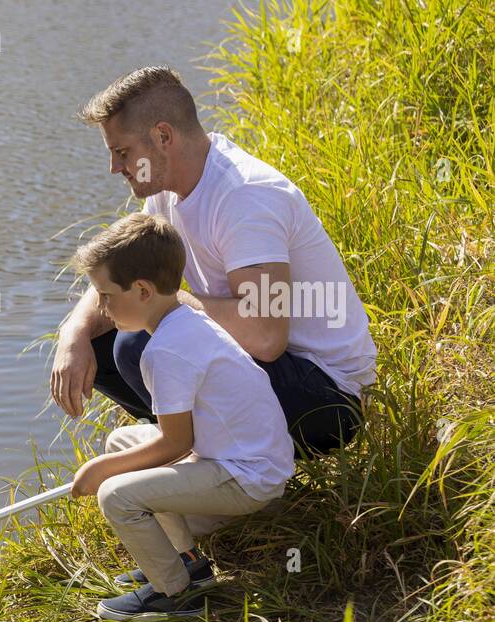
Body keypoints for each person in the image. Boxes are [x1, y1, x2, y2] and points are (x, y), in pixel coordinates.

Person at [51, 66, 376, 456]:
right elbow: (122, 274)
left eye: (122, 153)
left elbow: (266, 335)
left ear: (163, 136)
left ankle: (222, 464)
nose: (115, 168)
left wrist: (165, 305)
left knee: (137, 340)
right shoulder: (167, 190)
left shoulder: (245, 196)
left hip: (324, 398)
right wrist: (73, 332)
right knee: (102, 341)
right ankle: (200, 453)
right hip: (274, 371)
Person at [68, 213, 295, 620]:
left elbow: (176, 444)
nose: (100, 306)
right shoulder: (185, 321)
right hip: (239, 457)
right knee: (123, 442)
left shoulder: (166, 351)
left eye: (105, 295)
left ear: (141, 290)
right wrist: (112, 461)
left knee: (116, 495)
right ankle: (186, 560)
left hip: (247, 476)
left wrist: (99, 471)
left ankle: (173, 592)